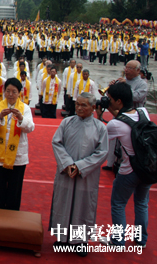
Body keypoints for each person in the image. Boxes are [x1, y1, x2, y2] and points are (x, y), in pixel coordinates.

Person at [49, 93, 108, 255]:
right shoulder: (67, 122)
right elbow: (57, 143)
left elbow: (102, 152)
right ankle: (62, 238)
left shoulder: (100, 127)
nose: (79, 108)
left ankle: (80, 241)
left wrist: (80, 166)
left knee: (83, 206)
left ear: (93, 108)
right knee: (63, 202)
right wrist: (68, 164)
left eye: (84, 105)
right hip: (66, 172)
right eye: (77, 105)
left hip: (86, 176)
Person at [97, 82, 152, 249]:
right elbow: (126, 117)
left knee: (119, 204)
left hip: (129, 171)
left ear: (119, 102)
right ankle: (141, 239)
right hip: (147, 168)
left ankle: (118, 240)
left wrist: (100, 116)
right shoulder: (143, 112)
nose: (109, 101)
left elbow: (101, 138)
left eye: (111, 99)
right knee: (142, 203)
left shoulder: (115, 125)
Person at [0, 78, 35, 210]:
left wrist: (21, 119)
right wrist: (0, 117)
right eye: (8, 91)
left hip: (18, 156)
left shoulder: (25, 108)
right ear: (4, 91)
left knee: (15, 188)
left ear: (19, 93)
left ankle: (12, 216)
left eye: (14, 91)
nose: (11, 94)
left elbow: (30, 128)